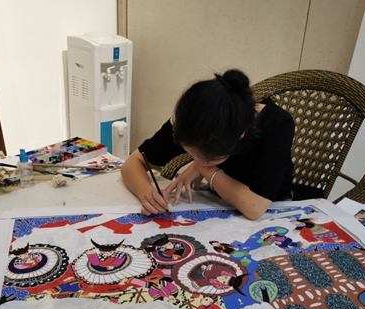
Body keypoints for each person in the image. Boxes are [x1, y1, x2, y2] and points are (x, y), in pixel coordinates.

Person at [121, 69, 299, 220]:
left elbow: (255, 207)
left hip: (272, 209)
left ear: (240, 136)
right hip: (217, 199)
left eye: (207, 159)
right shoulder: (191, 119)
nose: (197, 160)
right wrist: (147, 193)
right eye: (192, 154)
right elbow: (133, 162)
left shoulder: (277, 125)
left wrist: (204, 169)